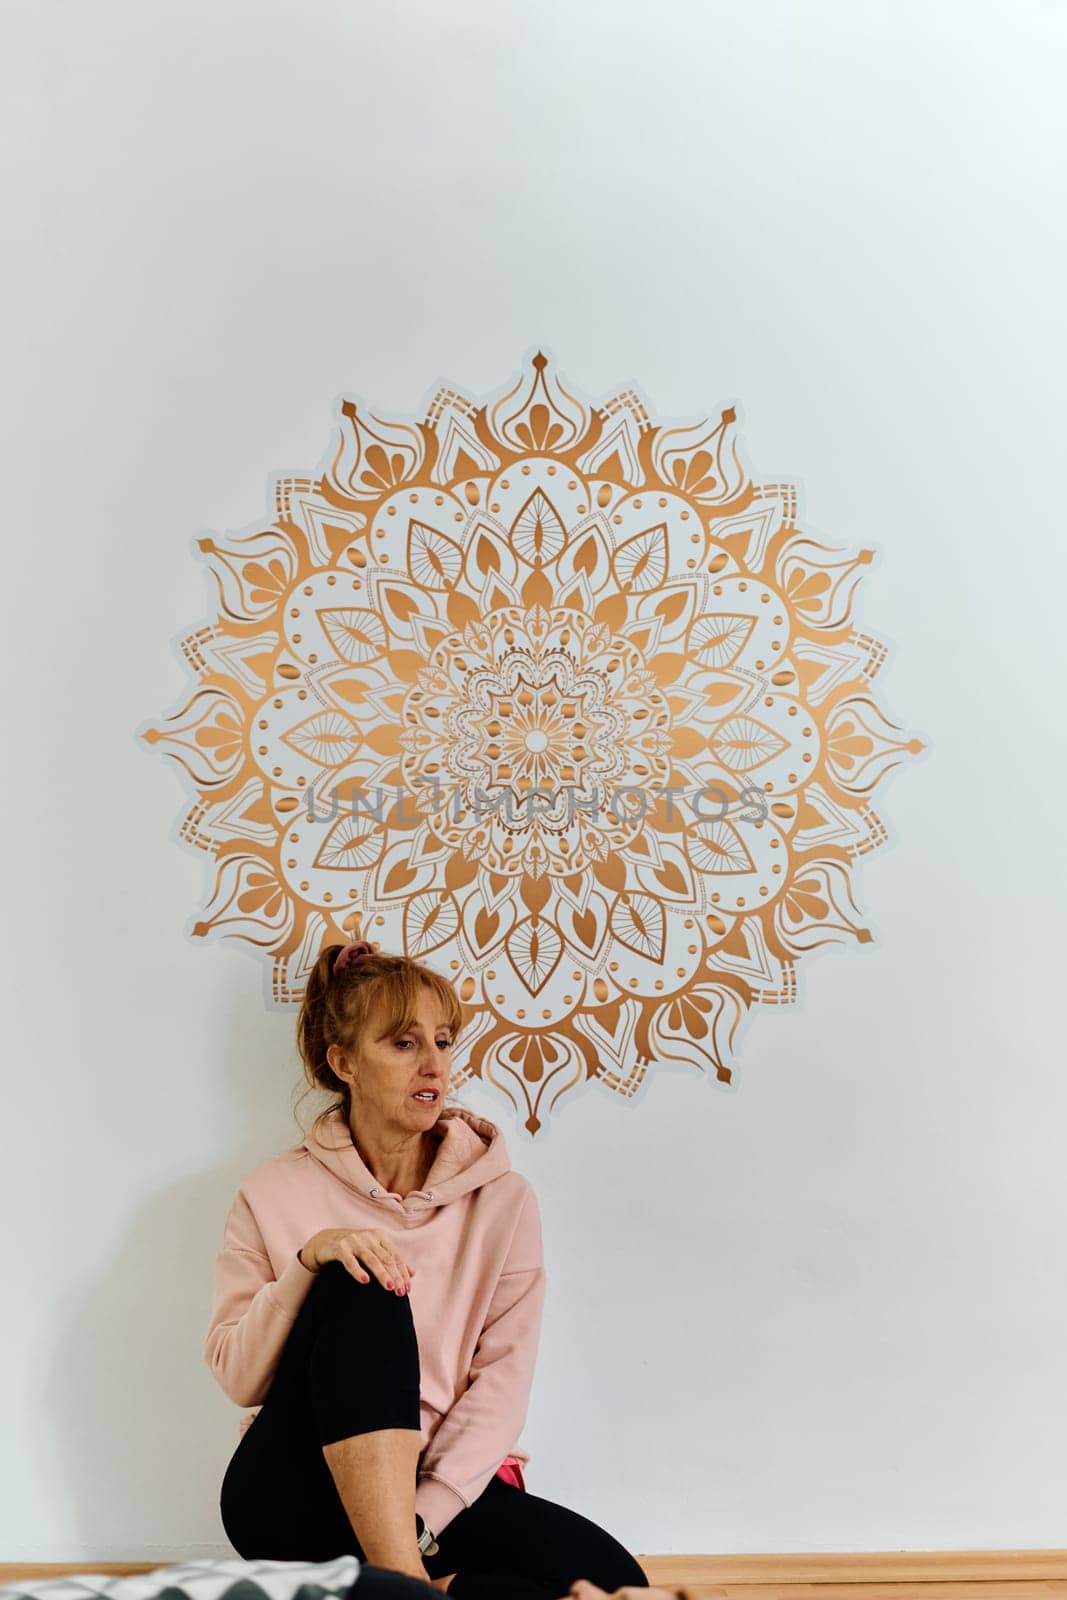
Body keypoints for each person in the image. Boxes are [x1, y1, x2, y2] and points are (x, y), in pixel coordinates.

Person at [204, 939, 653, 1600]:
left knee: (610, 1579)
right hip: (297, 1491)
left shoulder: (502, 1201)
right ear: (344, 1062)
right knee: (361, 1278)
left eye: (444, 1041)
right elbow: (239, 1377)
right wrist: (309, 1261)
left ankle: (410, 1580)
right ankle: (405, 1583)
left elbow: (503, 1378)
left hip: (433, 1501)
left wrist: (421, 1520)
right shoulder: (270, 1192)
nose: (435, 1064)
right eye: (404, 1044)